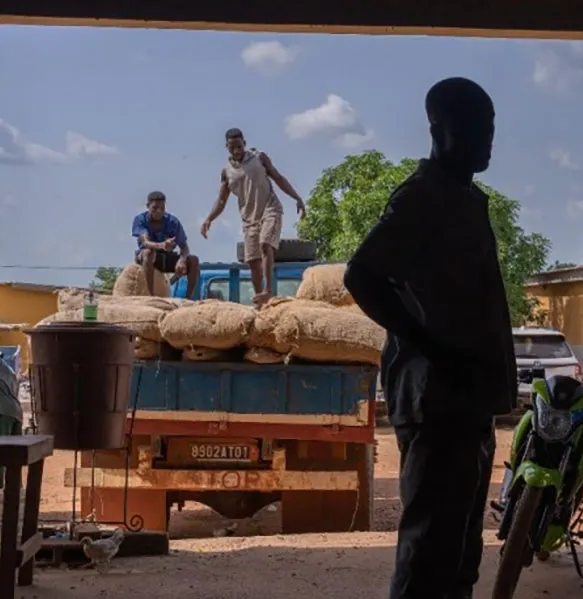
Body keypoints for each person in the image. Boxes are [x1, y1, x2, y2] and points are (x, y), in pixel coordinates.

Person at [344, 77, 516, 599]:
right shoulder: (423, 198)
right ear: (438, 130)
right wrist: (433, 347)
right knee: (428, 560)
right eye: (474, 128)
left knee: (460, 556)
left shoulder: (466, 200)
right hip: (436, 404)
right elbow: (362, 276)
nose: (487, 140)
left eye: (490, 128)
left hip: (468, 406)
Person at [200, 128, 306, 306]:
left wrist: (297, 198)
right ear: (226, 147)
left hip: (270, 208)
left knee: (265, 244)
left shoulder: (259, 158)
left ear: (244, 143)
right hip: (249, 218)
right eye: (232, 147)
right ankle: (260, 300)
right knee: (252, 259)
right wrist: (209, 219)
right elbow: (221, 200)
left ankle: (268, 291)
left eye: (239, 146)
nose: (236, 150)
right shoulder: (227, 172)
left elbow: (278, 178)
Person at [131, 191, 200, 299]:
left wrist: (182, 260)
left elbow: (184, 246)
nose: (158, 211)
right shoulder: (140, 220)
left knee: (194, 260)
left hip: (166, 257)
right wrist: (162, 245)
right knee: (149, 253)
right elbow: (145, 242)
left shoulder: (173, 222)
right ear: (148, 206)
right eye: (155, 208)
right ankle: (151, 296)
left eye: (162, 208)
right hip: (146, 258)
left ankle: (188, 298)